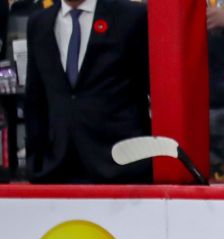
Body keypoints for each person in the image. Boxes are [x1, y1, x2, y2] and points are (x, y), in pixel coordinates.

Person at [25, 0, 150, 183]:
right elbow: (35, 99)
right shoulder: (38, 23)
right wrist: (34, 162)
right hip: (57, 168)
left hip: (122, 169)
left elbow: (149, 86)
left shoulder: (131, 17)